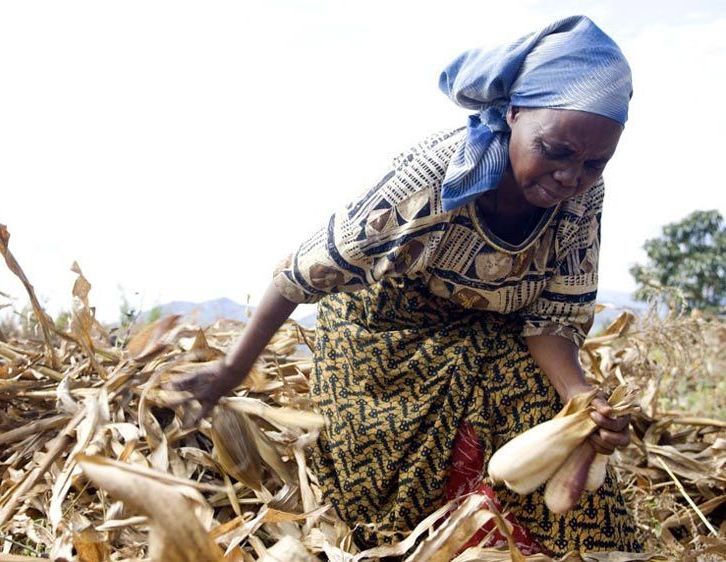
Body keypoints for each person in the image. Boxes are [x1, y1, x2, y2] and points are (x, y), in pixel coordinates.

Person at [172, 15, 641, 555]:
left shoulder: (582, 197)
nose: (572, 176)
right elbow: (297, 276)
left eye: (595, 161)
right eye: (555, 150)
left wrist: (580, 400)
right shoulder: (428, 183)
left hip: (492, 333)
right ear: (513, 113)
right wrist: (231, 369)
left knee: (543, 416)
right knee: (395, 476)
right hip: (383, 334)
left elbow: (551, 322)